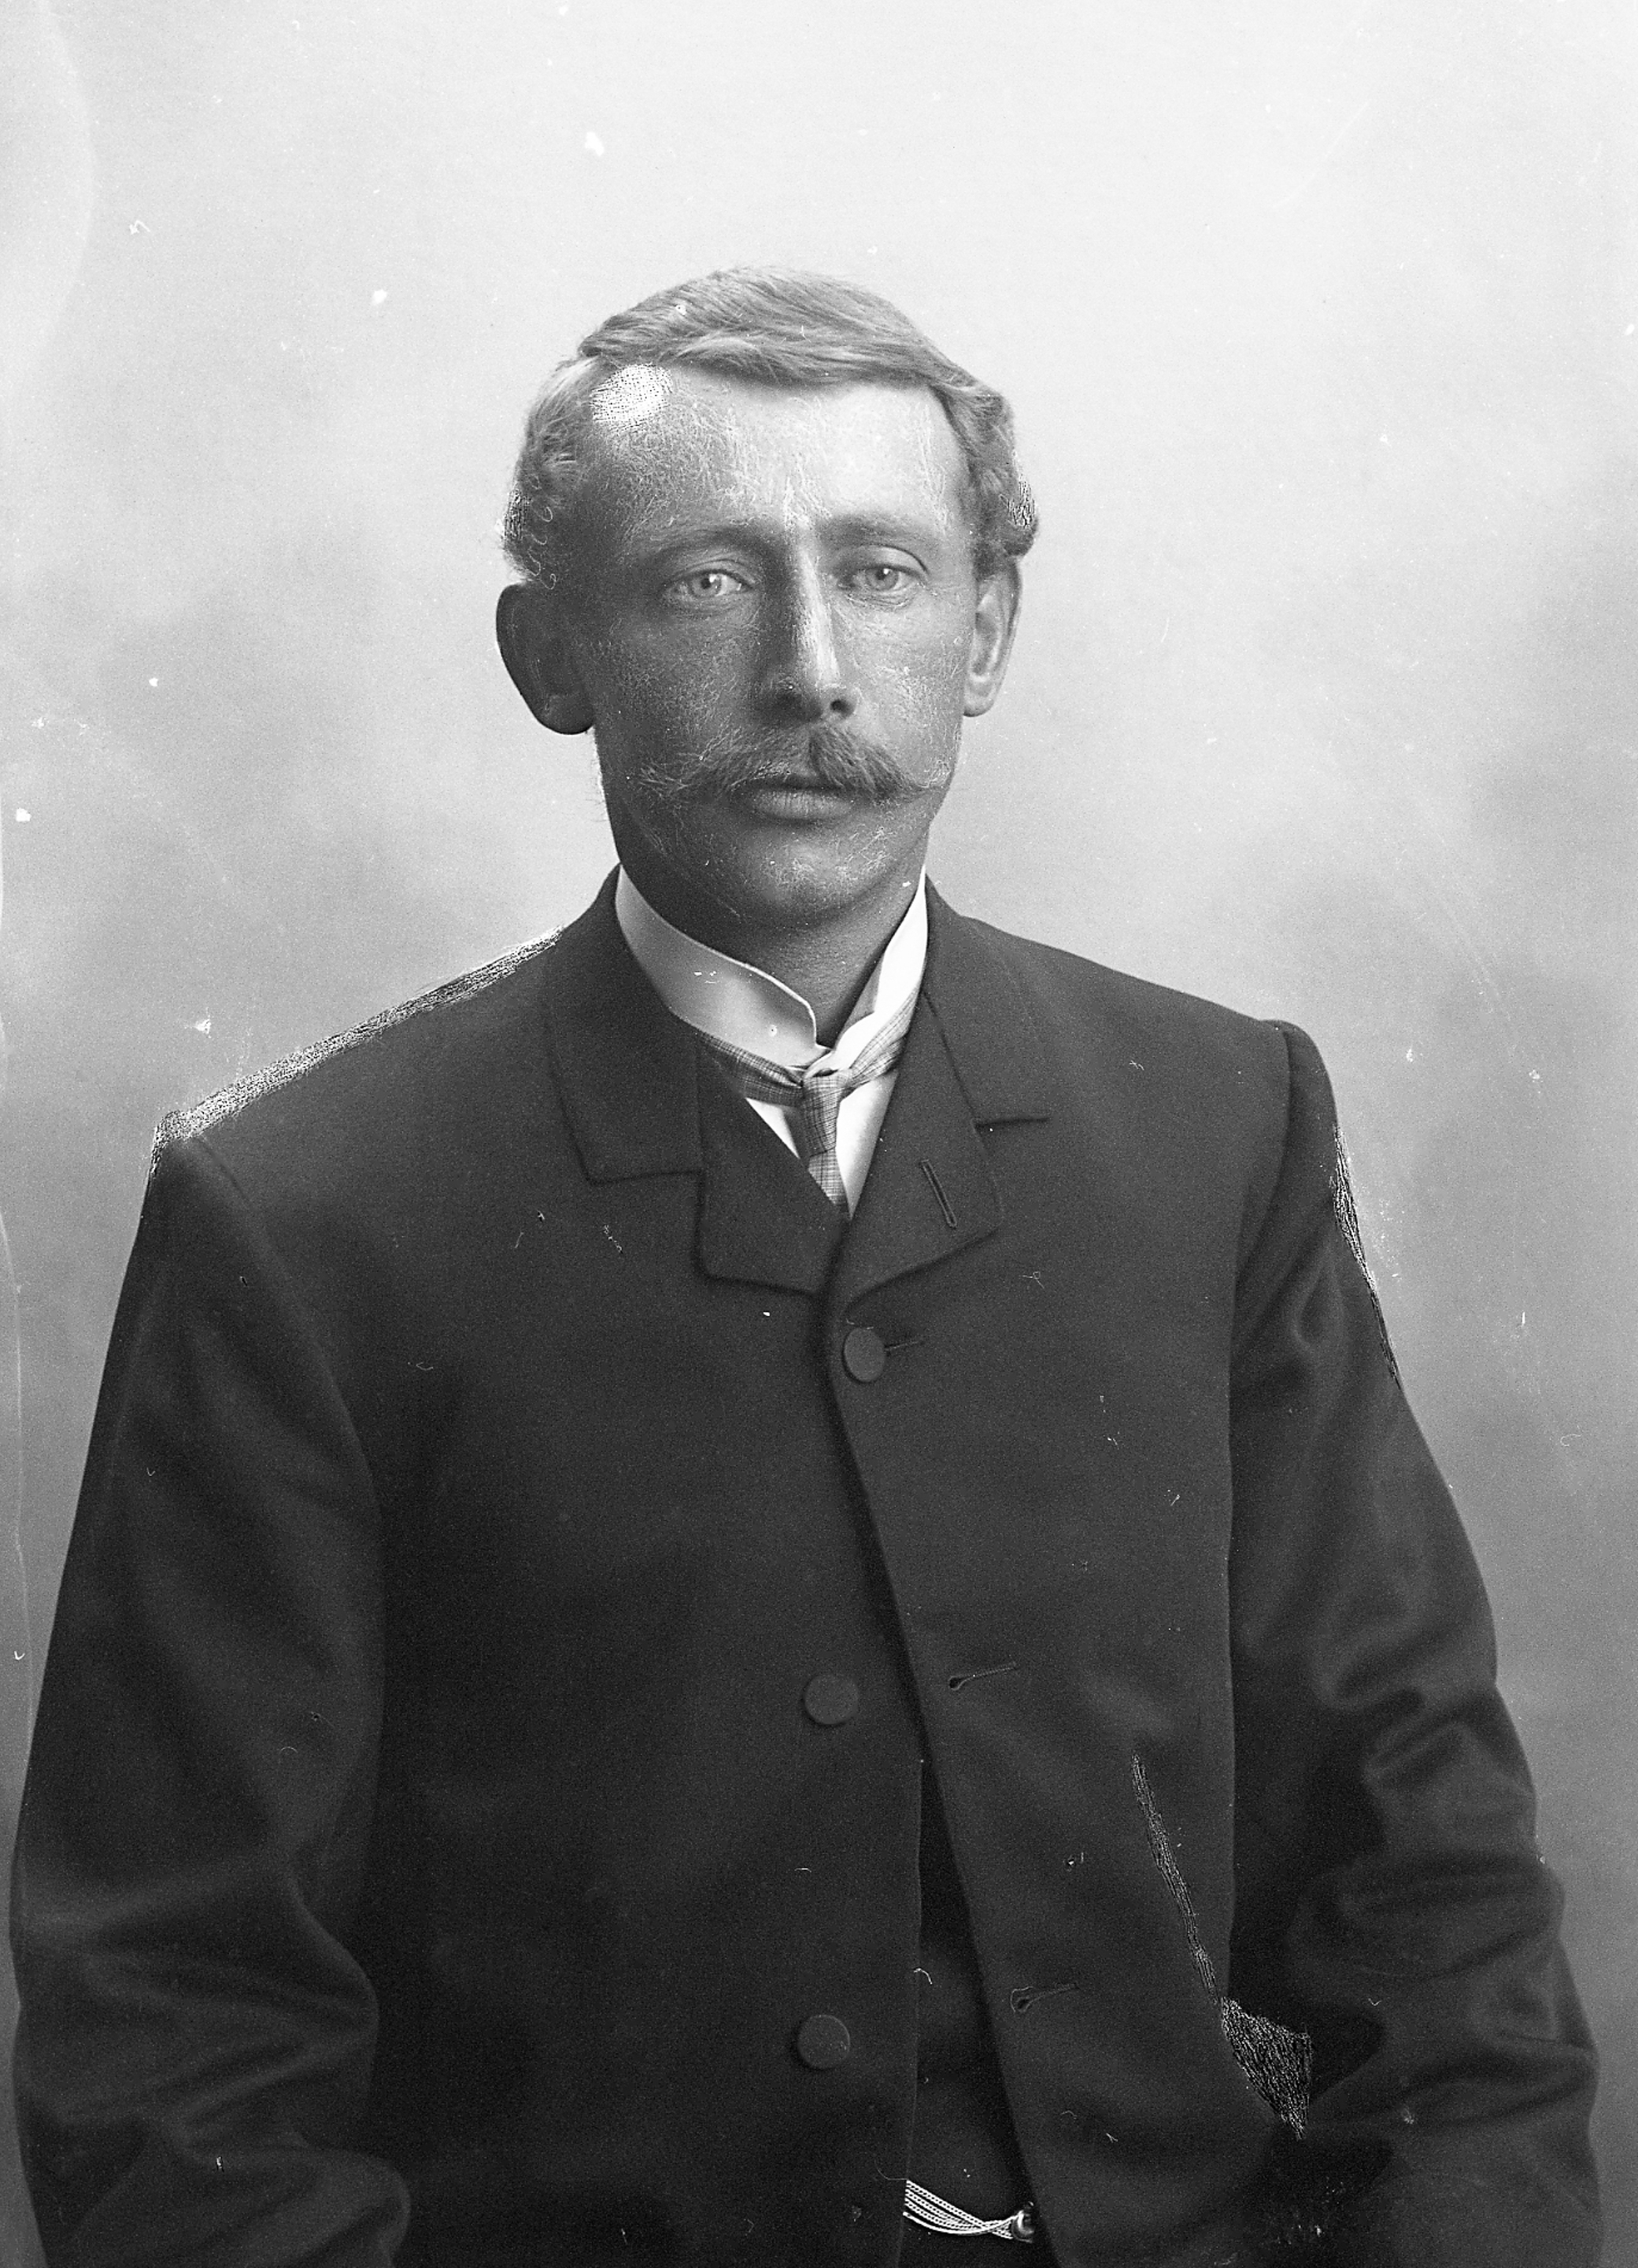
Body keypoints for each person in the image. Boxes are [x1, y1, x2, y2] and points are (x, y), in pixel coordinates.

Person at [10, 269, 1599, 2268]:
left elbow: (1420, 1879)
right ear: (548, 654)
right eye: (706, 581)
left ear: (987, 631)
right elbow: (173, 2046)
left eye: (882, 571)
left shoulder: (1222, 1126)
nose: (813, 671)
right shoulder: (304, 1217)